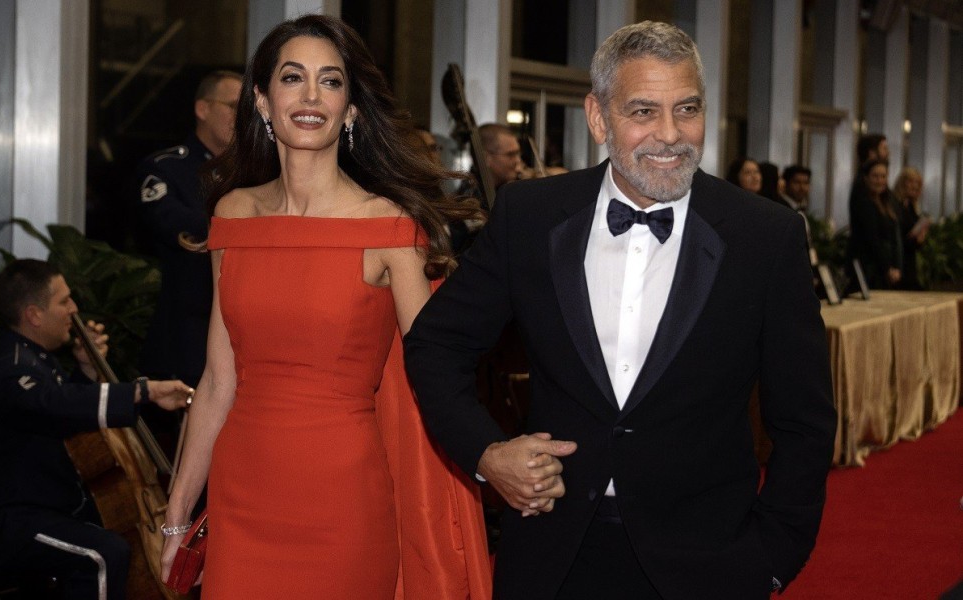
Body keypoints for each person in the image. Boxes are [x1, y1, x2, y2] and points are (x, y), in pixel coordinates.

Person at [405, 21, 836, 600]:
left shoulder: (766, 237)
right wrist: (486, 452)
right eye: (642, 111)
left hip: (707, 565)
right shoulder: (531, 216)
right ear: (597, 117)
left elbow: (804, 422)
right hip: (553, 557)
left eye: (687, 109)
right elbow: (436, 345)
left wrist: (772, 559)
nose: (670, 134)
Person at [159, 14, 490, 599]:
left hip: (345, 505)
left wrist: (491, 454)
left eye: (331, 82)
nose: (311, 97)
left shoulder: (390, 226)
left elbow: (433, 380)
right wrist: (178, 515)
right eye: (293, 78)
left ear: (352, 108)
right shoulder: (233, 216)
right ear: (262, 100)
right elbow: (217, 379)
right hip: (241, 501)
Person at [0, 259, 191, 600]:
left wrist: (85, 369)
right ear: (34, 315)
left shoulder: (34, 356)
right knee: (104, 554)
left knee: (114, 535)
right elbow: (52, 403)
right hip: (12, 517)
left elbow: (57, 414)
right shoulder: (7, 364)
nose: (74, 308)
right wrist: (143, 391)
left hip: (50, 505)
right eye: (64, 300)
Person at [136, 69, 242, 390]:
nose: (242, 118)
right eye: (233, 107)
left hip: (246, 338)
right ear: (203, 109)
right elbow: (172, 223)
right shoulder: (167, 168)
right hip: (188, 340)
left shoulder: (256, 173)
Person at [848, 159, 903, 289]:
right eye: (875, 176)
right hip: (869, 269)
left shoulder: (888, 202)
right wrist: (887, 268)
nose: (879, 181)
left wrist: (896, 267)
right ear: (866, 178)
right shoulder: (862, 202)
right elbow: (872, 239)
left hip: (886, 270)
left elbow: (894, 238)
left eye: (883, 176)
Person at [893, 166, 929, 290]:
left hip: (910, 263)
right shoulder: (896, 206)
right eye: (911, 182)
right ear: (902, 183)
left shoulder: (912, 207)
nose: (914, 186)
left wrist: (920, 238)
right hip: (899, 264)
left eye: (918, 183)